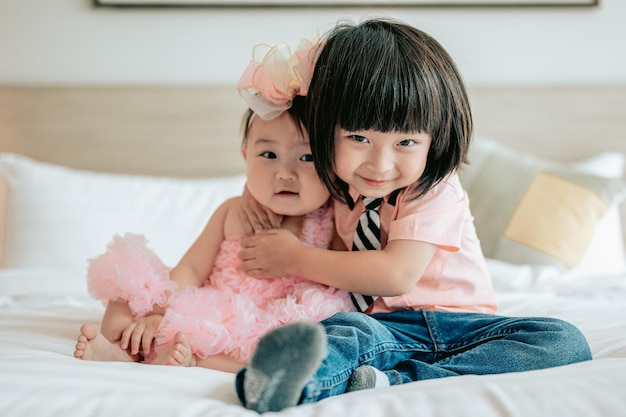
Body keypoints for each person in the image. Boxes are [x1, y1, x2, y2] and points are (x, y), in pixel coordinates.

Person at [234, 18, 593, 413]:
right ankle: (282, 385)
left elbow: (395, 275)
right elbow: (282, 178)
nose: (380, 165)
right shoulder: (333, 183)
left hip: (462, 327)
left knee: (561, 339)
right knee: (336, 336)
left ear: (434, 139)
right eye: (358, 138)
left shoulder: (433, 189)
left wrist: (292, 257)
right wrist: (251, 196)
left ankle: (401, 380)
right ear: (324, 129)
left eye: (406, 141)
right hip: (381, 330)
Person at [73, 38, 355, 372]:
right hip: (212, 310)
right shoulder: (232, 212)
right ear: (245, 158)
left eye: (307, 157)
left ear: (333, 167)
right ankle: (122, 348)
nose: (285, 173)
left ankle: (188, 359)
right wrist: (158, 315)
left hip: (272, 321)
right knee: (127, 291)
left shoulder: (332, 218)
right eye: (268, 155)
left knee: (302, 343)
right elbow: (191, 270)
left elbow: (341, 276)